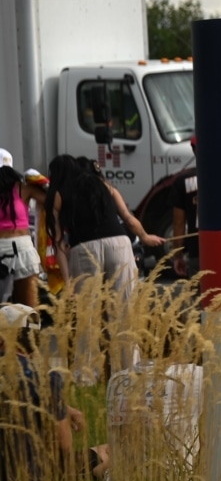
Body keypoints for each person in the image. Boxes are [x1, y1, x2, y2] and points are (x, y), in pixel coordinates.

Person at [44, 154, 139, 381]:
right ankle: (128, 373)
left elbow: (58, 243)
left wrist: (68, 285)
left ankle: (86, 375)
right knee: (124, 311)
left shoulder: (58, 194)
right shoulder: (102, 184)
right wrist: (144, 236)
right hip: (119, 244)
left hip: (85, 249)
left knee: (88, 316)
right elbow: (127, 217)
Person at [0, 303, 109, 481]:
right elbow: (64, 447)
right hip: (32, 477)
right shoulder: (46, 379)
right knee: (113, 450)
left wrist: (64, 407)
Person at [76, 157, 165, 250]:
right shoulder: (110, 190)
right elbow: (129, 219)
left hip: (87, 247)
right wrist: (145, 237)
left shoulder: (73, 193)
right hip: (117, 245)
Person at [0, 151, 47, 308]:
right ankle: (30, 333)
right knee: (29, 309)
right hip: (22, 249)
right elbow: (55, 201)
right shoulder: (23, 188)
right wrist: (43, 182)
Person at [171, 135, 199, 279]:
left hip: (197, 251)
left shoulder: (182, 180)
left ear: (193, 150)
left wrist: (178, 255)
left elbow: (179, 223)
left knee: (200, 299)